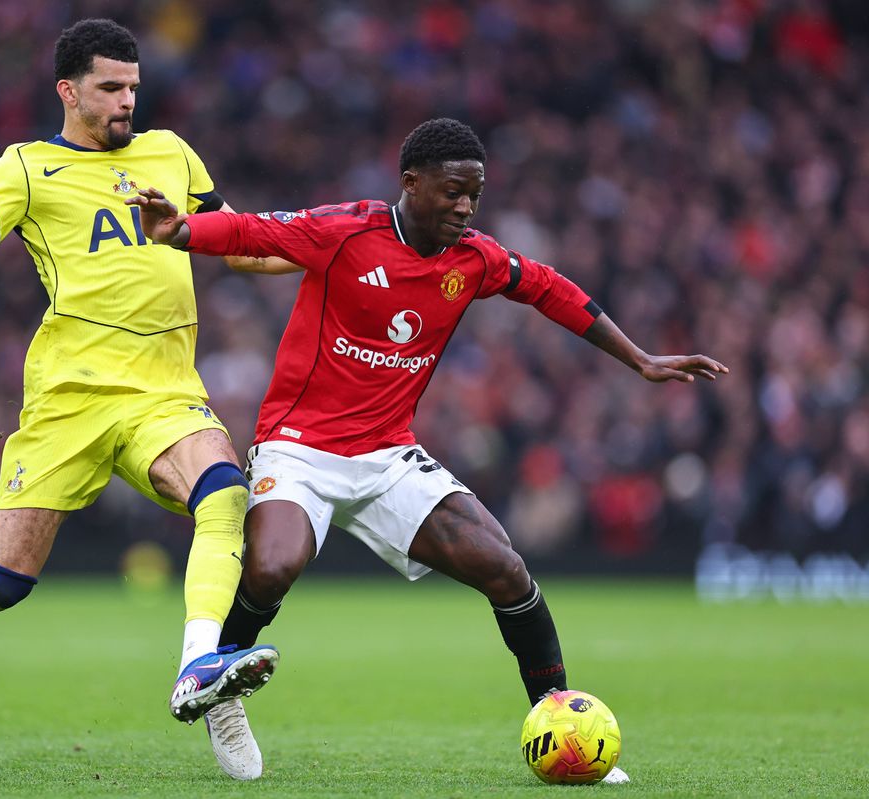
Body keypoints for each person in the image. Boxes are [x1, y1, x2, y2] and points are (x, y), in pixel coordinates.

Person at [129, 117, 730, 785]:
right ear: (411, 184)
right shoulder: (345, 230)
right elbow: (249, 232)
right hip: (298, 448)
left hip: (388, 455)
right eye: (453, 192)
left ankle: (558, 713)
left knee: (505, 568)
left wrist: (639, 358)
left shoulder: (473, 257)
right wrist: (181, 229)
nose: (466, 208)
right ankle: (221, 689)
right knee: (272, 565)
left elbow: (549, 287)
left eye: (475, 194)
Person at [0, 19, 290, 780]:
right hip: (69, 400)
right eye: (110, 88)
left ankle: (202, 668)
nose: (128, 99)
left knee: (225, 491)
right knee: (4, 583)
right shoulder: (27, 167)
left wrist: (324, 245)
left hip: (163, 390)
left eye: (133, 86)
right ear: (69, 90)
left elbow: (239, 240)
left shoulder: (172, 153)